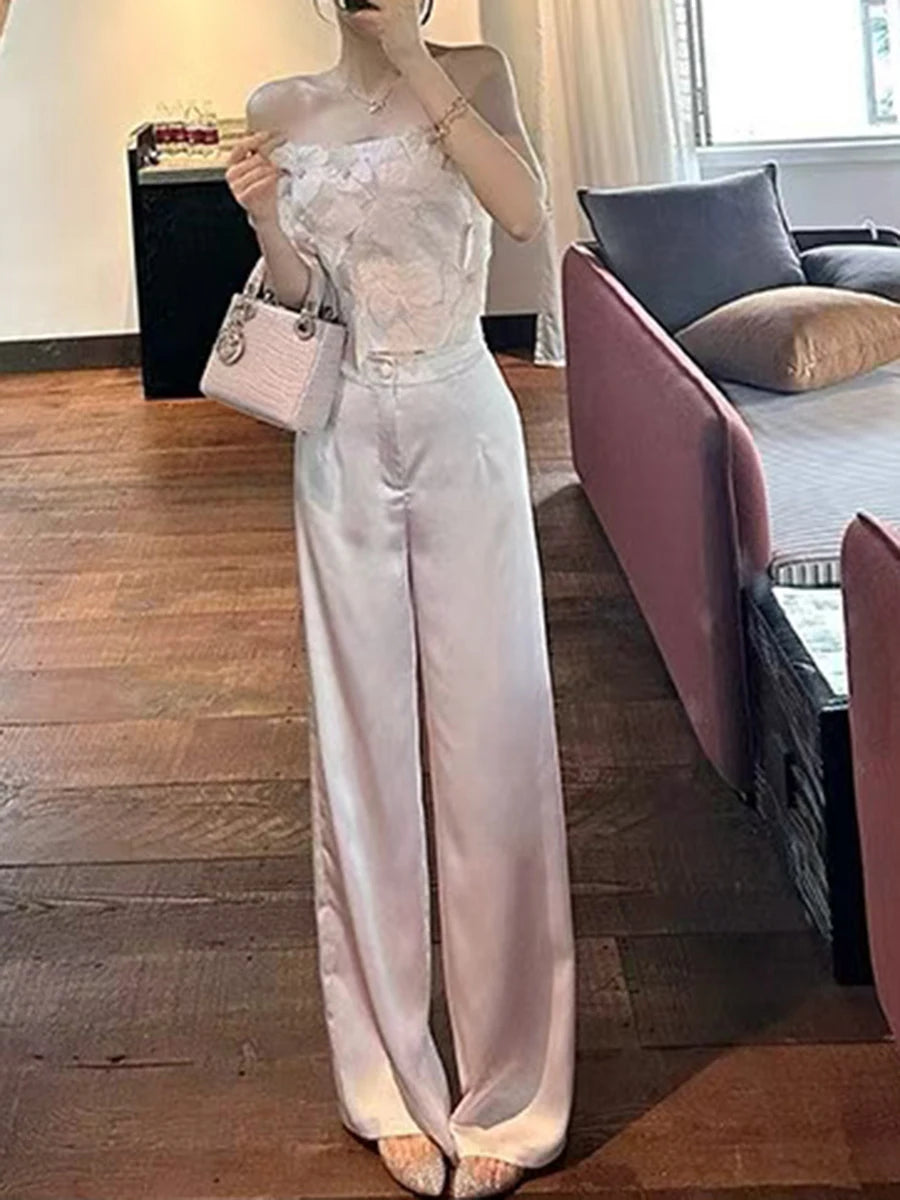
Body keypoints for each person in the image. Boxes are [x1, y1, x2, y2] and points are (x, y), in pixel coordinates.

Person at [224, 2, 576, 1195]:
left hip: (463, 422)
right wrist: (264, 218)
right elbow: (302, 295)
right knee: (360, 755)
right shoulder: (281, 108)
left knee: (495, 745)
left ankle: (513, 1091)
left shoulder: (473, 70)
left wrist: (422, 63)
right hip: (337, 442)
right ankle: (386, 1081)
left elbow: (523, 211)